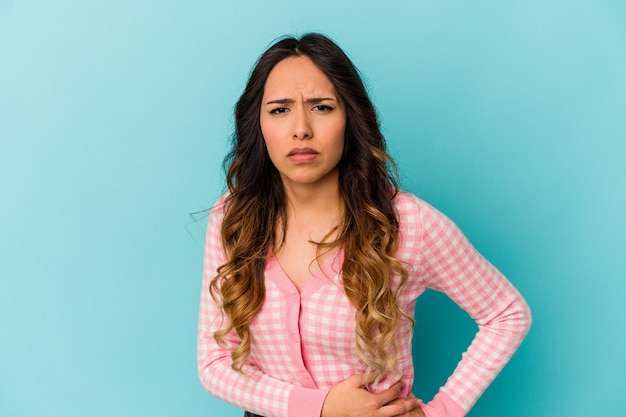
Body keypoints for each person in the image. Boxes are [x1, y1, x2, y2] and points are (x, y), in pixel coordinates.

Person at [198, 33, 531, 417]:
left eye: (321, 107)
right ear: (257, 125)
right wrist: (320, 406)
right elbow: (214, 364)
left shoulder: (406, 224)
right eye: (279, 110)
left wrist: (439, 412)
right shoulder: (232, 217)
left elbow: (506, 313)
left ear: (350, 118)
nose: (301, 128)